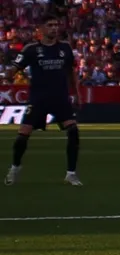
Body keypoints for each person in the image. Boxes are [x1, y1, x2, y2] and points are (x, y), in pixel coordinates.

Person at [9, 18, 80, 187]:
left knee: (73, 132)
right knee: (22, 137)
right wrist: (8, 74)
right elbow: (14, 68)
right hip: (38, 99)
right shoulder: (31, 49)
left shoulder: (65, 48)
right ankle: (15, 168)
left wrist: (77, 93)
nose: (54, 28)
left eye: (56, 25)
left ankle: (71, 174)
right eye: (50, 25)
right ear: (41, 29)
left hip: (60, 98)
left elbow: (71, 72)